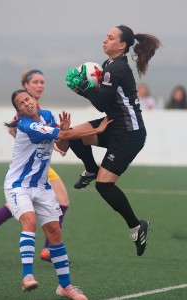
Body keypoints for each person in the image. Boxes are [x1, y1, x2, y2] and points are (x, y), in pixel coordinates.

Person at [3, 89, 111, 297]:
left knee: (54, 233)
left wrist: (62, 130)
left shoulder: (47, 116)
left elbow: (62, 144)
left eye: (28, 99)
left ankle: (65, 287)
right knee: (30, 222)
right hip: (18, 185)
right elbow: (66, 135)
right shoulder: (27, 125)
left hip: (42, 186)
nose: (27, 103)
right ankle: (27, 276)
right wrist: (98, 128)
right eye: (21, 103)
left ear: (34, 99)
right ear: (18, 111)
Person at [65, 25, 161, 256]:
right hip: (114, 124)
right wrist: (87, 86)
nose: (104, 40)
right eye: (106, 36)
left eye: (110, 38)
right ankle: (90, 169)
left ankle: (137, 226)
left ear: (122, 45)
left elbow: (101, 103)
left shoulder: (116, 69)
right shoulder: (109, 65)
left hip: (128, 135)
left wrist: (83, 88)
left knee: (104, 185)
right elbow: (107, 102)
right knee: (76, 136)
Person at [0, 70, 70, 265]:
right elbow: (15, 129)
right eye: (36, 82)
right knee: (60, 200)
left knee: (51, 202)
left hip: (38, 165)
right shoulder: (24, 108)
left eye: (42, 82)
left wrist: (53, 143)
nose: (40, 86)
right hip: (27, 168)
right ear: (26, 86)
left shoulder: (39, 109)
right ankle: (49, 249)